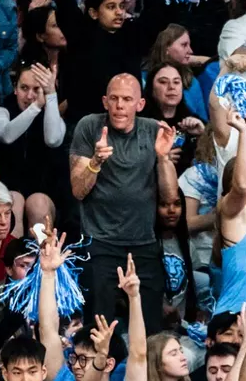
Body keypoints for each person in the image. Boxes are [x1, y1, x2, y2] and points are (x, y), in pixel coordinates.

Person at [68, 74, 179, 329]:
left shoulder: (153, 129)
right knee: (99, 326)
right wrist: (95, 162)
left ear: (139, 105)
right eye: (114, 99)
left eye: (127, 99)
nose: (119, 106)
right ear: (105, 102)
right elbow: (78, 190)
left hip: (144, 242)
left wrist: (163, 158)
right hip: (100, 243)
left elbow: (170, 196)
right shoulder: (89, 126)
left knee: (151, 325)